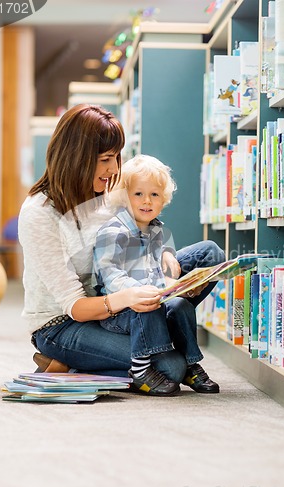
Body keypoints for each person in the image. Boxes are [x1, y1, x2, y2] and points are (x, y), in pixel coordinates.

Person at [18, 103, 225, 396]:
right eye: (105, 159)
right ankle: (68, 362)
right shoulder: (39, 213)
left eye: (116, 157)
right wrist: (128, 297)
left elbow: (150, 223)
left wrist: (166, 253)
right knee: (170, 368)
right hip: (64, 324)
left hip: (121, 300)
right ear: (77, 156)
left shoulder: (108, 196)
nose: (114, 169)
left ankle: (158, 328)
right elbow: (75, 306)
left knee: (210, 255)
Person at [93, 154, 219, 396]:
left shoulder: (154, 228)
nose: (146, 201)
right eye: (138, 194)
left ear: (164, 199)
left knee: (181, 304)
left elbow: (151, 261)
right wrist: (154, 288)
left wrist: (169, 258)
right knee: (147, 300)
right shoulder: (113, 232)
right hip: (120, 311)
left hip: (153, 295)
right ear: (124, 196)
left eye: (154, 195)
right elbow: (111, 277)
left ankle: (190, 364)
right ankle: (140, 369)